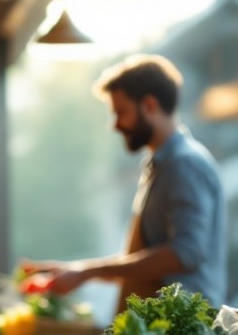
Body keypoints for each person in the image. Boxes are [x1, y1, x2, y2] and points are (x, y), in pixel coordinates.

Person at [22, 54, 226, 308]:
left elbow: (184, 253)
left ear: (149, 106)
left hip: (181, 329)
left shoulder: (184, 164)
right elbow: (145, 262)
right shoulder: (162, 165)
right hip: (159, 326)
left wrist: (87, 272)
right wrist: (77, 270)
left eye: (121, 112)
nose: (115, 125)